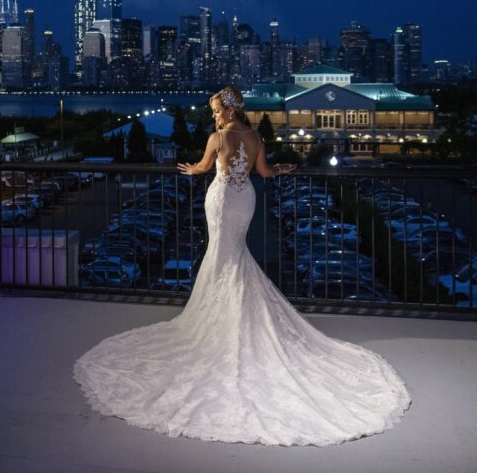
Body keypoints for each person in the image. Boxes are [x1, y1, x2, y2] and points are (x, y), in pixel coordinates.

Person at [74, 85, 410, 445]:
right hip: (245, 198)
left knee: (222, 253)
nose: (214, 116)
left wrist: (191, 169)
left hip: (221, 198)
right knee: (233, 253)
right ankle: (234, 314)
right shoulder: (255, 137)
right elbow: (264, 172)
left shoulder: (218, 138)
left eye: (217, 111)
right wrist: (282, 167)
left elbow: (204, 167)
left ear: (230, 111)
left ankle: (223, 319)